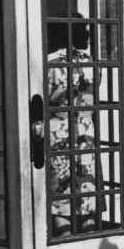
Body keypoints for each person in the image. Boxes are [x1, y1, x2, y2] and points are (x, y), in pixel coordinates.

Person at [45, 17, 99, 237]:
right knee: (86, 197)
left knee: (60, 199)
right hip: (86, 132)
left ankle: (64, 241)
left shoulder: (50, 62)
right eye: (84, 30)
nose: (87, 34)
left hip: (59, 134)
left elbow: (42, 97)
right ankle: (88, 243)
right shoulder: (90, 62)